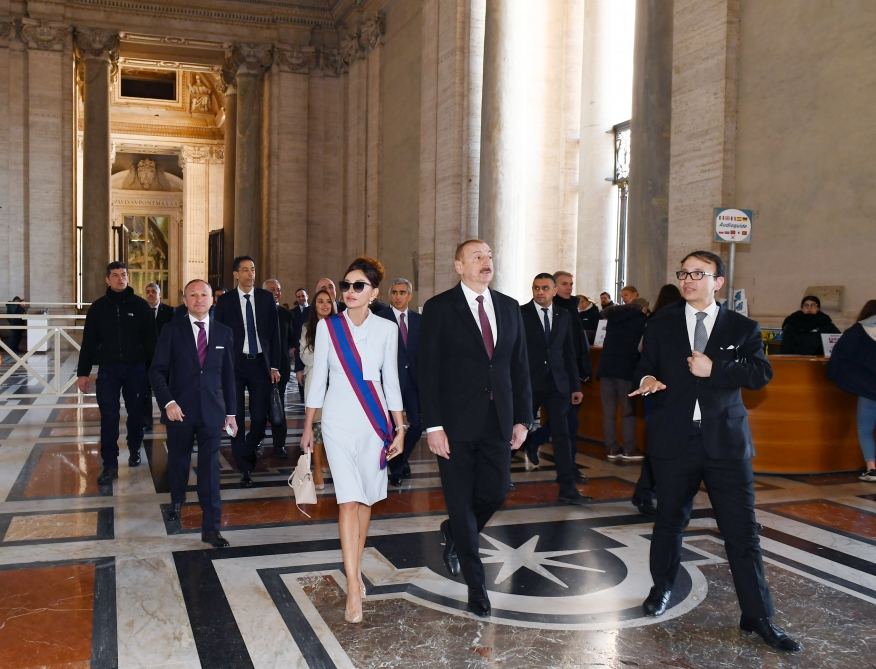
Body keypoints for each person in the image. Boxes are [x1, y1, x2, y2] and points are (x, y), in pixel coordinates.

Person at [629, 250, 799, 652]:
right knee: (669, 522)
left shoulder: (742, 328)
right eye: (684, 273)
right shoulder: (661, 323)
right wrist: (650, 377)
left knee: (742, 533)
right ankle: (661, 590)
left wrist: (715, 370)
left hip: (725, 443)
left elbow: (760, 374)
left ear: (718, 281)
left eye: (698, 273)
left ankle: (758, 615)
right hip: (674, 440)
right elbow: (643, 365)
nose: (688, 280)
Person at [419, 239, 532, 618]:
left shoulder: (509, 307)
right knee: (460, 500)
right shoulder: (438, 309)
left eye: (489, 256)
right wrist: (433, 425)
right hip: (454, 425)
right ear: (458, 266)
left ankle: (455, 531)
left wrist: (523, 418)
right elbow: (428, 373)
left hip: (498, 421)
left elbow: (519, 368)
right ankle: (476, 584)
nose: (486, 262)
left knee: (496, 492)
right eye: (477, 257)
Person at [300, 257, 405, 624]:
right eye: (345, 285)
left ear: (374, 292)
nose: (349, 292)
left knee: (365, 504)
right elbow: (318, 380)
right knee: (347, 502)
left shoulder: (387, 330)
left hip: (375, 423)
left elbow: (390, 380)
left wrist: (400, 427)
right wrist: (308, 425)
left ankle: (355, 569)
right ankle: (352, 587)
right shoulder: (329, 327)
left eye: (358, 286)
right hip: (338, 421)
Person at [149, 279, 237, 548]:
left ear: (212, 299)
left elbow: (228, 375)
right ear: (184, 300)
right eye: (193, 295)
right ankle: (177, 499)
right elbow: (156, 371)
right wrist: (168, 403)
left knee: (210, 469)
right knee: (179, 460)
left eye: (204, 294)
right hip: (180, 412)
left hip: (212, 411)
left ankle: (211, 529)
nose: (199, 299)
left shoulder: (223, 333)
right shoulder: (171, 330)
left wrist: (231, 413)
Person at [77, 262, 156, 484]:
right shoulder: (98, 308)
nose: (120, 279)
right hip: (109, 370)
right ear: (107, 280)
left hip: (136, 369)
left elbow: (152, 342)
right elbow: (89, 342)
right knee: (109, 417)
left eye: (123, 275)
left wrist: (154, 371)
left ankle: (134, 448)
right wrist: (83, 373)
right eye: (115, 275)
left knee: (136, 414)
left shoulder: (141, 307)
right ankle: (110, 464)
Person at [520, 273, 589, 505]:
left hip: (558, 385)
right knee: (513, 433)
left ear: (553, 291)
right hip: (528, 385)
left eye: (545, 288)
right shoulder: (521, 314)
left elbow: (568, 352)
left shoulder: (564, 315)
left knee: (562, 436)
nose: (540, 292)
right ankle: (496, 481)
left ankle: (567, 488)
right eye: (536, 288)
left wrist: (575, 386)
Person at [214, 256, 281, 487]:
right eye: (245, 270)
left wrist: (274, 365)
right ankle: (244, 466)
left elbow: (274, 334)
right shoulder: (225, 302)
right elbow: (218, 335)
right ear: (235, 274)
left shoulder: (265, 299)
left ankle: (248, 450)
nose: (250, 274)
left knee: (261, 417)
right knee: (237, 417)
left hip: (260, 363)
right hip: (235, 364)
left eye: (253, 269)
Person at [631, 283, 683, 516]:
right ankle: (647, 493)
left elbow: (641, 350)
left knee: (659, 446)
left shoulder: (653, 319)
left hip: (659, 392)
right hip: (662, 391)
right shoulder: (664, 323)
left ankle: (647, 493)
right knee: (659, 447)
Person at [378, 278, 423, 487]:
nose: (398, 296)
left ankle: (401, 458)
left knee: (418, 424)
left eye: (402, 292)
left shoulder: (419, 320)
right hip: (389, 382)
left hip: (414, 382)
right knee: (392, 427)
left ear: (409, 295)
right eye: (394, 292)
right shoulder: (380, 318)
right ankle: (396, 468)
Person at [827, 299, 876, 482]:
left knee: (865, 429)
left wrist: (833, 375)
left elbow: (840, 355)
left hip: (868, 389)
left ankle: (872, 469)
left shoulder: (857, 331)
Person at [598, 287, 647, 462]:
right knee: (627, 411)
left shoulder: (613, 317)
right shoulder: (641, 319)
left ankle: (611, 448)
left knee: (609, 412)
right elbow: (643, 347)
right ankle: (628, 449)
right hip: (626, 368)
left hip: (605, 367)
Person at [297, 288, 337, 488]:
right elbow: (306, 357)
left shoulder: (340, 326)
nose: (324, 305)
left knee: (335, 428)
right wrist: (328, 357)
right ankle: (317, 467)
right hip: (316, 384)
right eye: (320, 301)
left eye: (328, 301)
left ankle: (331, 463)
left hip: (338, 385)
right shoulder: (308, 327)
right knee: (317, 427)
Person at [263, 279, 295, 459]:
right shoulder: (257, 313)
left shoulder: (285, 314)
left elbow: (291, 340)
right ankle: (258, 439)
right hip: (261, 367)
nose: (276, 292)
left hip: (281, 367)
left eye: (278, 289)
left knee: (278, 405)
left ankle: (279, 444)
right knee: (259, 406)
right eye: (272, 289)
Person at [143, 282, 174, 429]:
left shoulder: (169, 311)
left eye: (153, 292)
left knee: (165, 387)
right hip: (145, 357)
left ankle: (166, 414)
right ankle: (146, 420)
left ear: (159, 294)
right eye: (147, 291)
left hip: (165, 357)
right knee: (145, 390)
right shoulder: (141, 311)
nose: (150, 294)